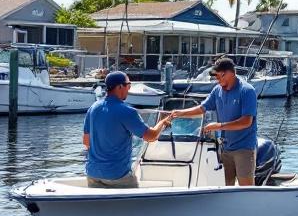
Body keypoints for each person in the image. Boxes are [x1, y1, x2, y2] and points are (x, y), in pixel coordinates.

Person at [166, 56, 259, 186]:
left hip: (244, 148)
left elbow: (246, 122)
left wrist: (218, 126)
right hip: (225, 148)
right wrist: (180, 113)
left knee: (247, 189)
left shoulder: (247, 91)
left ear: (230, 73)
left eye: (219, 76)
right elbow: (202, 108)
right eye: (215, 77)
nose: (217, 79)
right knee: (225, 188)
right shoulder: (217, 90)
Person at [82, 71, 171, 188]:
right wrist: (163, 122)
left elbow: (86, 142)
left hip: (93, 173)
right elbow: (151, 136)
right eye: (128, 85)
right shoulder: (127, 111)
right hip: (118, 176)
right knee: (136, 206)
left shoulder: (93, 108)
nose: (129, 89)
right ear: (120, 86)